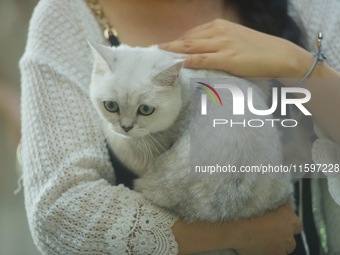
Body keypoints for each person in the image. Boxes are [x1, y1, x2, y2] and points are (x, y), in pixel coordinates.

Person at [19, 0, 340, 255]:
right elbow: (57, 211)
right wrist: (234, 234)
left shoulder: (309, 5)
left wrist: (297, 64)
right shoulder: (64, 18)